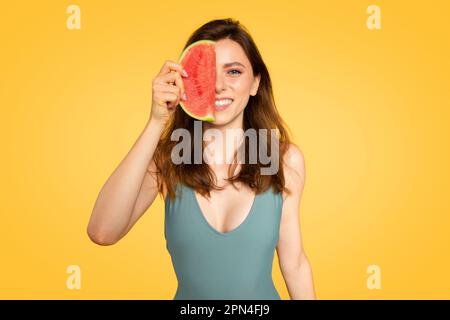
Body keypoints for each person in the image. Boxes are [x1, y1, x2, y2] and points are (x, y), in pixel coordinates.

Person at [87, 18, 316, 300]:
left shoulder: (283, 159)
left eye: (233, 71)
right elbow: (102, 231)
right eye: (205, 73)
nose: (219, 85)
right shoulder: (168, 160)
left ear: (255, 83)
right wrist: (156, 122)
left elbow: (294, 264)